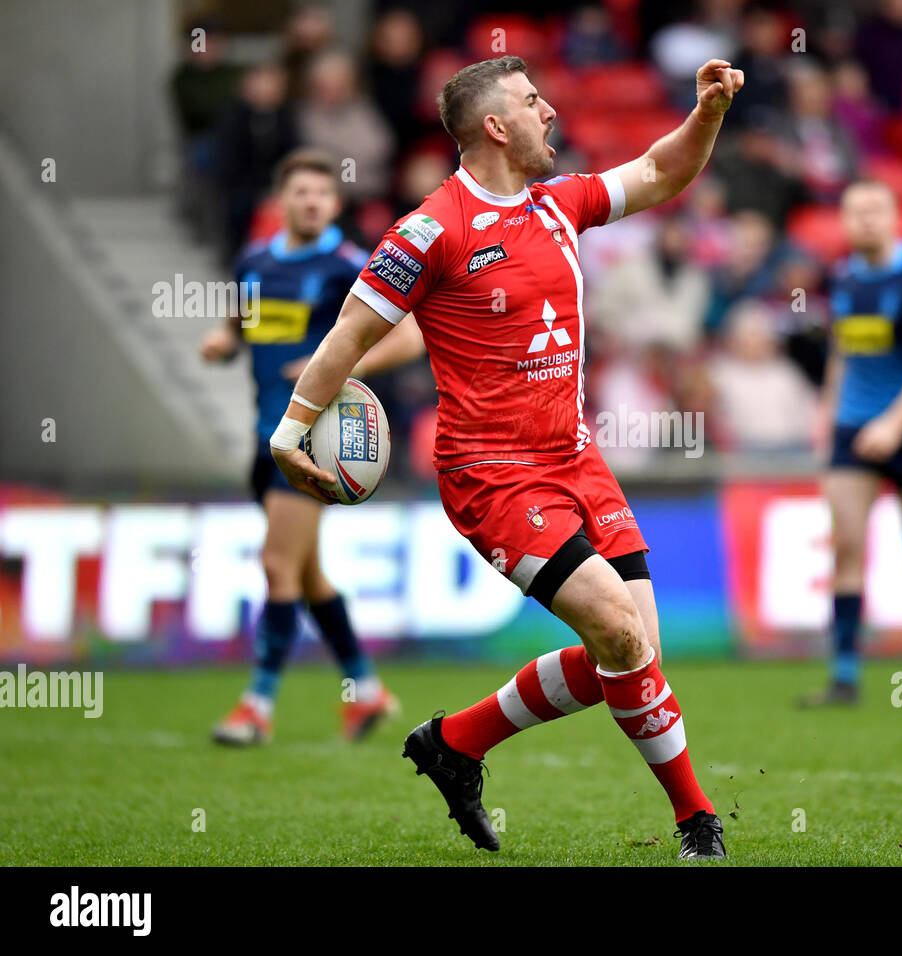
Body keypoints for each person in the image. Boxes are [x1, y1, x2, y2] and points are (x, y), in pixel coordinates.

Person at [267, 56, 745, 859]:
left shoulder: (559, 204)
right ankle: (697, 820)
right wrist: (290, 430)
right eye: (531, 102)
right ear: (496, 126)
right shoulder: (430, 230)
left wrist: (708, 113)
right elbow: (350, 335)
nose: (549, 111)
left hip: (576, 457)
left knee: (635, 656)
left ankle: (455, 743)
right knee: (623, 642)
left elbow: (663, 172)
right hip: (493, 474)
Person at [200, 149, 399, 745]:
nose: (311, 202)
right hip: (265, 437)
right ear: (281, 202)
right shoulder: (255, 262)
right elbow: (242, 323)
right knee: (309, 577)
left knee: (276, 564)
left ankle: (256, 707)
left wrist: (332, 370)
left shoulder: (349, 266)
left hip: (314, 438)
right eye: (301, 193)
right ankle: (366, 692)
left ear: (335, 205)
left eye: (322, 194)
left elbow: (408, 334)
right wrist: (222, 339)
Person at [802, 180, 902, 707]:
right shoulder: (843, 278)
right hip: (853, 428)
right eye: (855, 211)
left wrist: (893, 423)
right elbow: (843, 353)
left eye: (875, 210)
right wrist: (827, 414)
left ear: (895, 216)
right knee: (846, 544)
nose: (865, 220)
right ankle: (844, 677)